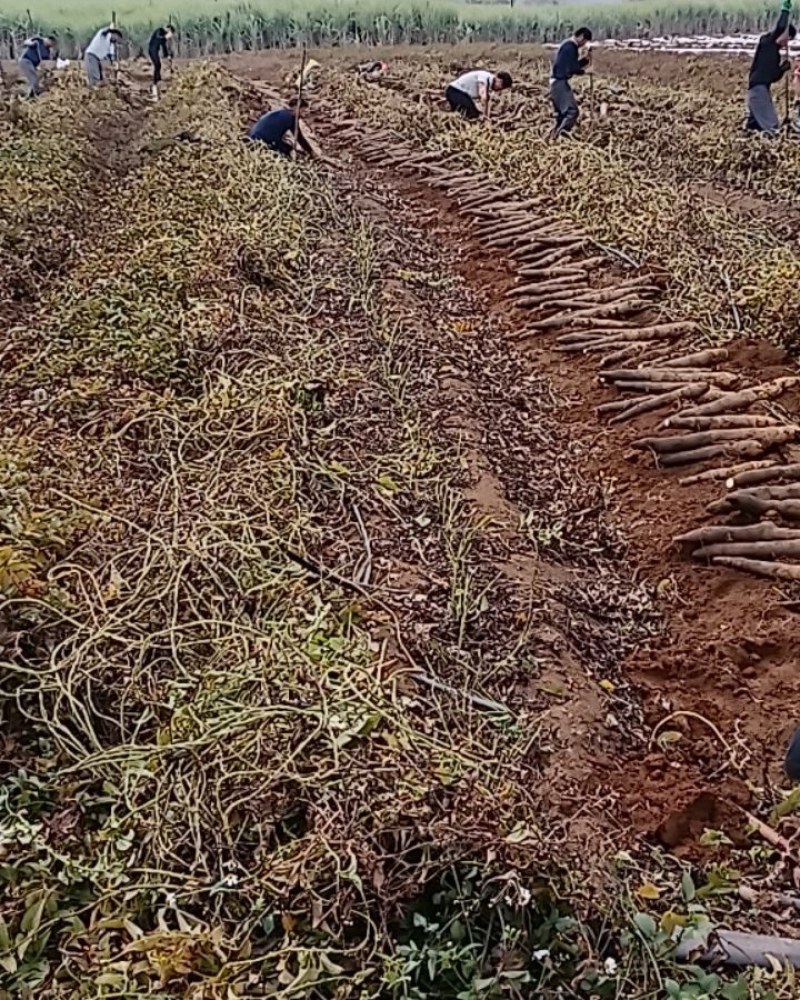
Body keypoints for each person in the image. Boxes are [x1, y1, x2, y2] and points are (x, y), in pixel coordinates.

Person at [746, 0, 795, 136]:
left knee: (754, 126)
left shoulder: (775, 55)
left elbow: (772, 76)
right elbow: (780, 26)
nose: (786, 42)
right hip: (758, 89)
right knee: (771, 125)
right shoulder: (767, 42)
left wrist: (783, 68)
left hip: (760, 88)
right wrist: (785, 9)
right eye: (787, 38)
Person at [550, 27, 593, 137]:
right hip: (559, 83)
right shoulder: (570, 47)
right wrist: (585, 71)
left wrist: (585, 61)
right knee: (572, 111)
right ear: (581, 37)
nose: (584, 44)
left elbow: (572, 65)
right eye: (585, 41)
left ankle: (553, 137)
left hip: (556, 82)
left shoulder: (567, 46)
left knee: (561, 115)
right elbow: (572, 68)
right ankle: (560, 137)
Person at [248, 99, 315, 158]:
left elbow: (298, 137)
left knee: (287, 147)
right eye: (303, 111)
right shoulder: (290, 118)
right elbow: (298, 137)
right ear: (296, 108)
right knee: (286, 152)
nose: (304, 115)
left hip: (254, 134)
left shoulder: (283, 113)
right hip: (260, 139)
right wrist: (311, 152)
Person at [444, 69, 513, 121]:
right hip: (455, 91)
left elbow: (486, 101)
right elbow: (483, 95)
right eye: (501, 85)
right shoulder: (485, 77)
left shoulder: (490, 86)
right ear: (498, 79)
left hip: (463, 94)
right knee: (472, 115)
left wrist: (486, 117)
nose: (499, 89)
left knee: (474, 113)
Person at [148, 24, 174, 99]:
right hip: (152, 50)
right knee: (157, 65)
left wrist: (167, 56)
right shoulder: (159, 31)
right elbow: (159, 38)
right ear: (168, 29)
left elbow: (163, 46)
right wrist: (165, 37)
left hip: (155, 50)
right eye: (170, 32)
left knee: (158, 65)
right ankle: (155, 82)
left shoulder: (163, 34)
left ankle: (157, 81)